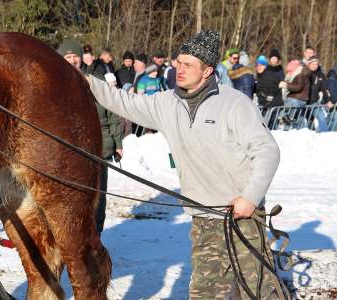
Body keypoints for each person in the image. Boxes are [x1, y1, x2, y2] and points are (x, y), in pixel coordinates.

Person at [86, 30, 284, 299]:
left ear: (207, 70)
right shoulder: (168, 103)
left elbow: (267, 151)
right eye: (179, 62)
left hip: (242, 218)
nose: (180, 69)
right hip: (204, 221)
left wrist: (249, 198)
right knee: (205, 293)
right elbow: (124, 101)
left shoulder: (235, 104)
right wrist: (82, 79)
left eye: (188, 65)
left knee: (259, 291)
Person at [57, 39, 123, 233]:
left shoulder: (96, 83)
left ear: (82, 59)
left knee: (97, 197)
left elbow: (111, 114)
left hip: (98, 148)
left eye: (75, 56)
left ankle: (95, 236)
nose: (71, 60)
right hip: (68, 152)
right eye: (67, 57)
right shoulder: (54, 86)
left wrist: (118, 142)